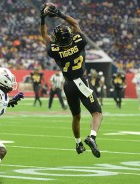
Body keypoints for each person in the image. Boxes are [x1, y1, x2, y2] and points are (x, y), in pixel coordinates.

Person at [40, 3, 102, 158]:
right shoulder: (78, 41)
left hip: (68, 84)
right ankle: (92, 137)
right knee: (97, 113)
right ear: (69, 35)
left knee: (76, 116)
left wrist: (42, 19)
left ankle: (78, 143)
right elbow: (75, 23)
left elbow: (44, 37)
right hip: (80, 81)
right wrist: (59, 14)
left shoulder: (55, 50)